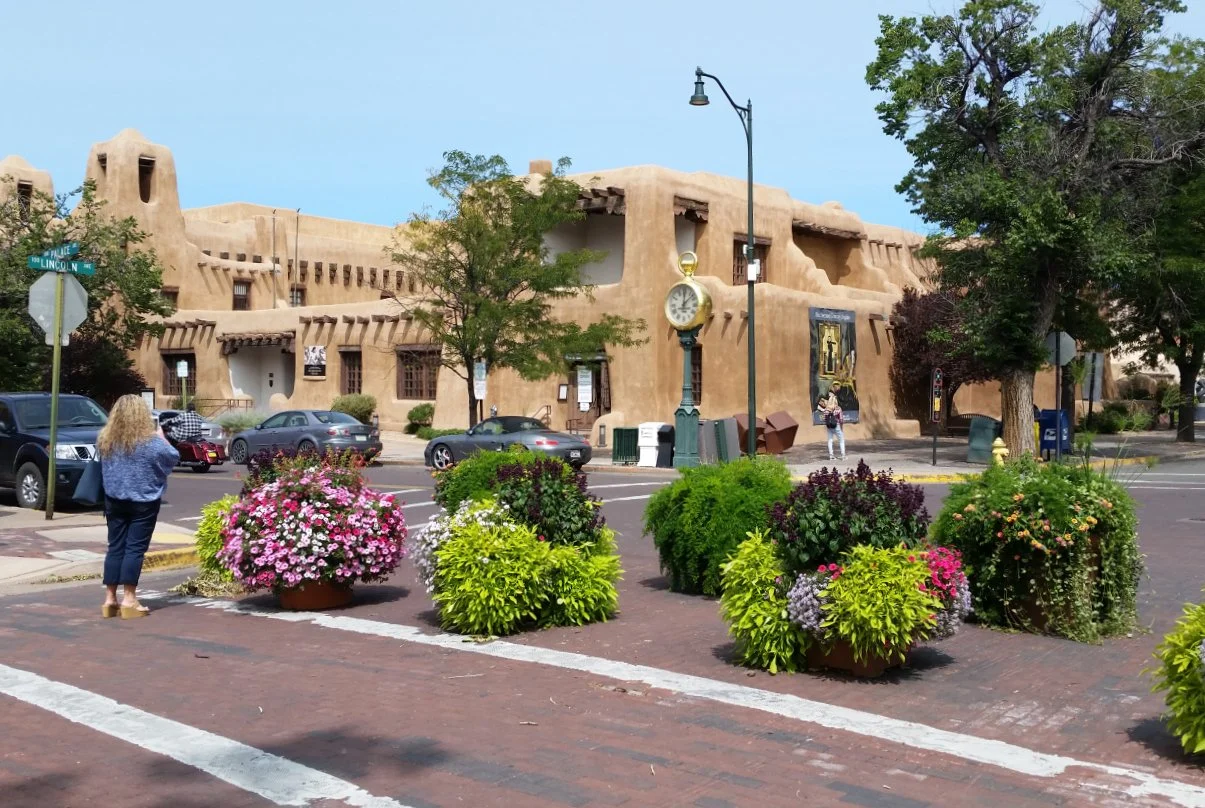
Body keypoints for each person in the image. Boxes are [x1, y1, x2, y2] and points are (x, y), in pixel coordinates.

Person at [96, 395, 180, 619]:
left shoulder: (105, 439)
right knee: (134, 549)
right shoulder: (150, 442)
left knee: (115, 547)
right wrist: (162, 437)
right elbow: (173, 457)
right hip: (144, 501)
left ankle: (110, 599)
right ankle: (130, 600)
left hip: (113, 499)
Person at [818, 382, 846, 461]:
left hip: (829, 425)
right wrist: (841, 427)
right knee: (841, 440)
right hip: (836, 424)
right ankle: (843, 456)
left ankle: (831, 456)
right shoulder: (837, 408)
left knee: (830, 440)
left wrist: (826, 412)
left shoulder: (826, 406)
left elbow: (822, 412)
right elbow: (841, 419)